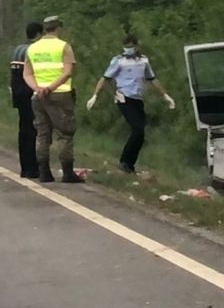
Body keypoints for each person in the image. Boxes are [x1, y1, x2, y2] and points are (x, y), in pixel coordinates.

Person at [87, 34, 175, 173]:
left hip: (137, 99)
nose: (128, 49)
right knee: (137, 129)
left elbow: (152, 79)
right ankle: (124, 161)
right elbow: (105, 78)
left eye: (130, 47)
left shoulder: (144, 61)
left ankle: (130, 164)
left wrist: (165, 96)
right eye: (126, 47)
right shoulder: (118, 61)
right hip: (124, 98)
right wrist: (95, 96)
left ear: (136, 46)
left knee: (141, 133)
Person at [22, 15, 83, 183]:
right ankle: (68, 173)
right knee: (65, 133)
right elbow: (67, 72)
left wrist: (37, 88)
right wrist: (50, 88)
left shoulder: (32, 48)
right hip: (60, 94)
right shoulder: (63, 46)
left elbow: (27, 73)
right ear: (58, 28)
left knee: (42, 134)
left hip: (38, 96)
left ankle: (44, 172)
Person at [8, 22, 43, 178]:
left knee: (23, 130)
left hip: (18, 94)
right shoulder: (33, 51)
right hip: (30, 93)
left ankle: (25, 167)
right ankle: (33, 168)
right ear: (38, 34)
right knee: (33, 131)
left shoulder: (18, 50)